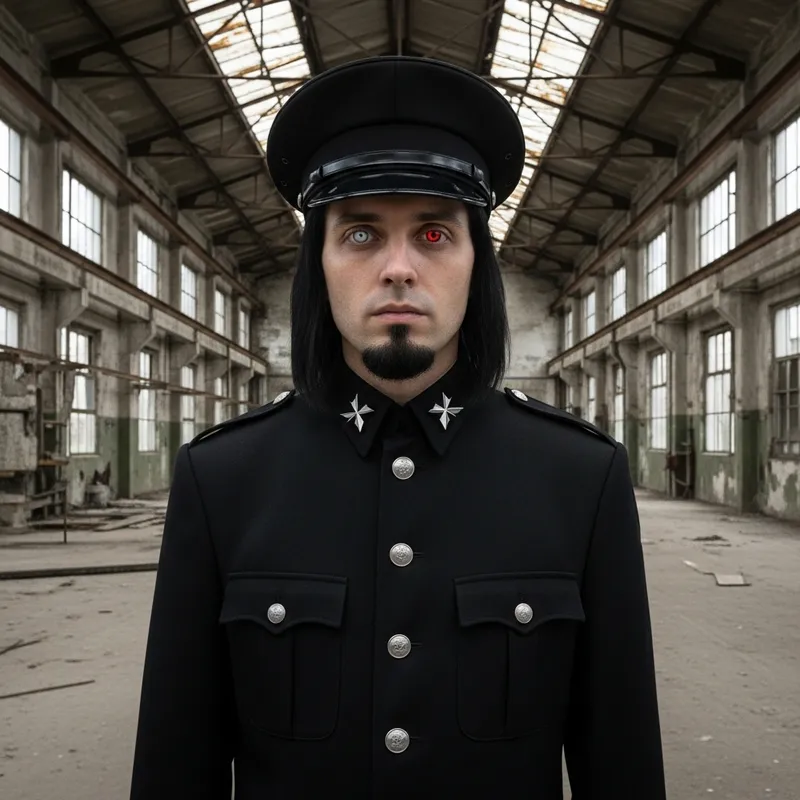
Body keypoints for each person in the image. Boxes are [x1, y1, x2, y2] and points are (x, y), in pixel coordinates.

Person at [129, 56, 666, 799]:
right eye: (360, 234)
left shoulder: (580, 477)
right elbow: (175, 760)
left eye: (435, 234)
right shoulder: (222, 479)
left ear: (477, 263)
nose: (399, 269)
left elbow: (622, 758)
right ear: (318, 264)